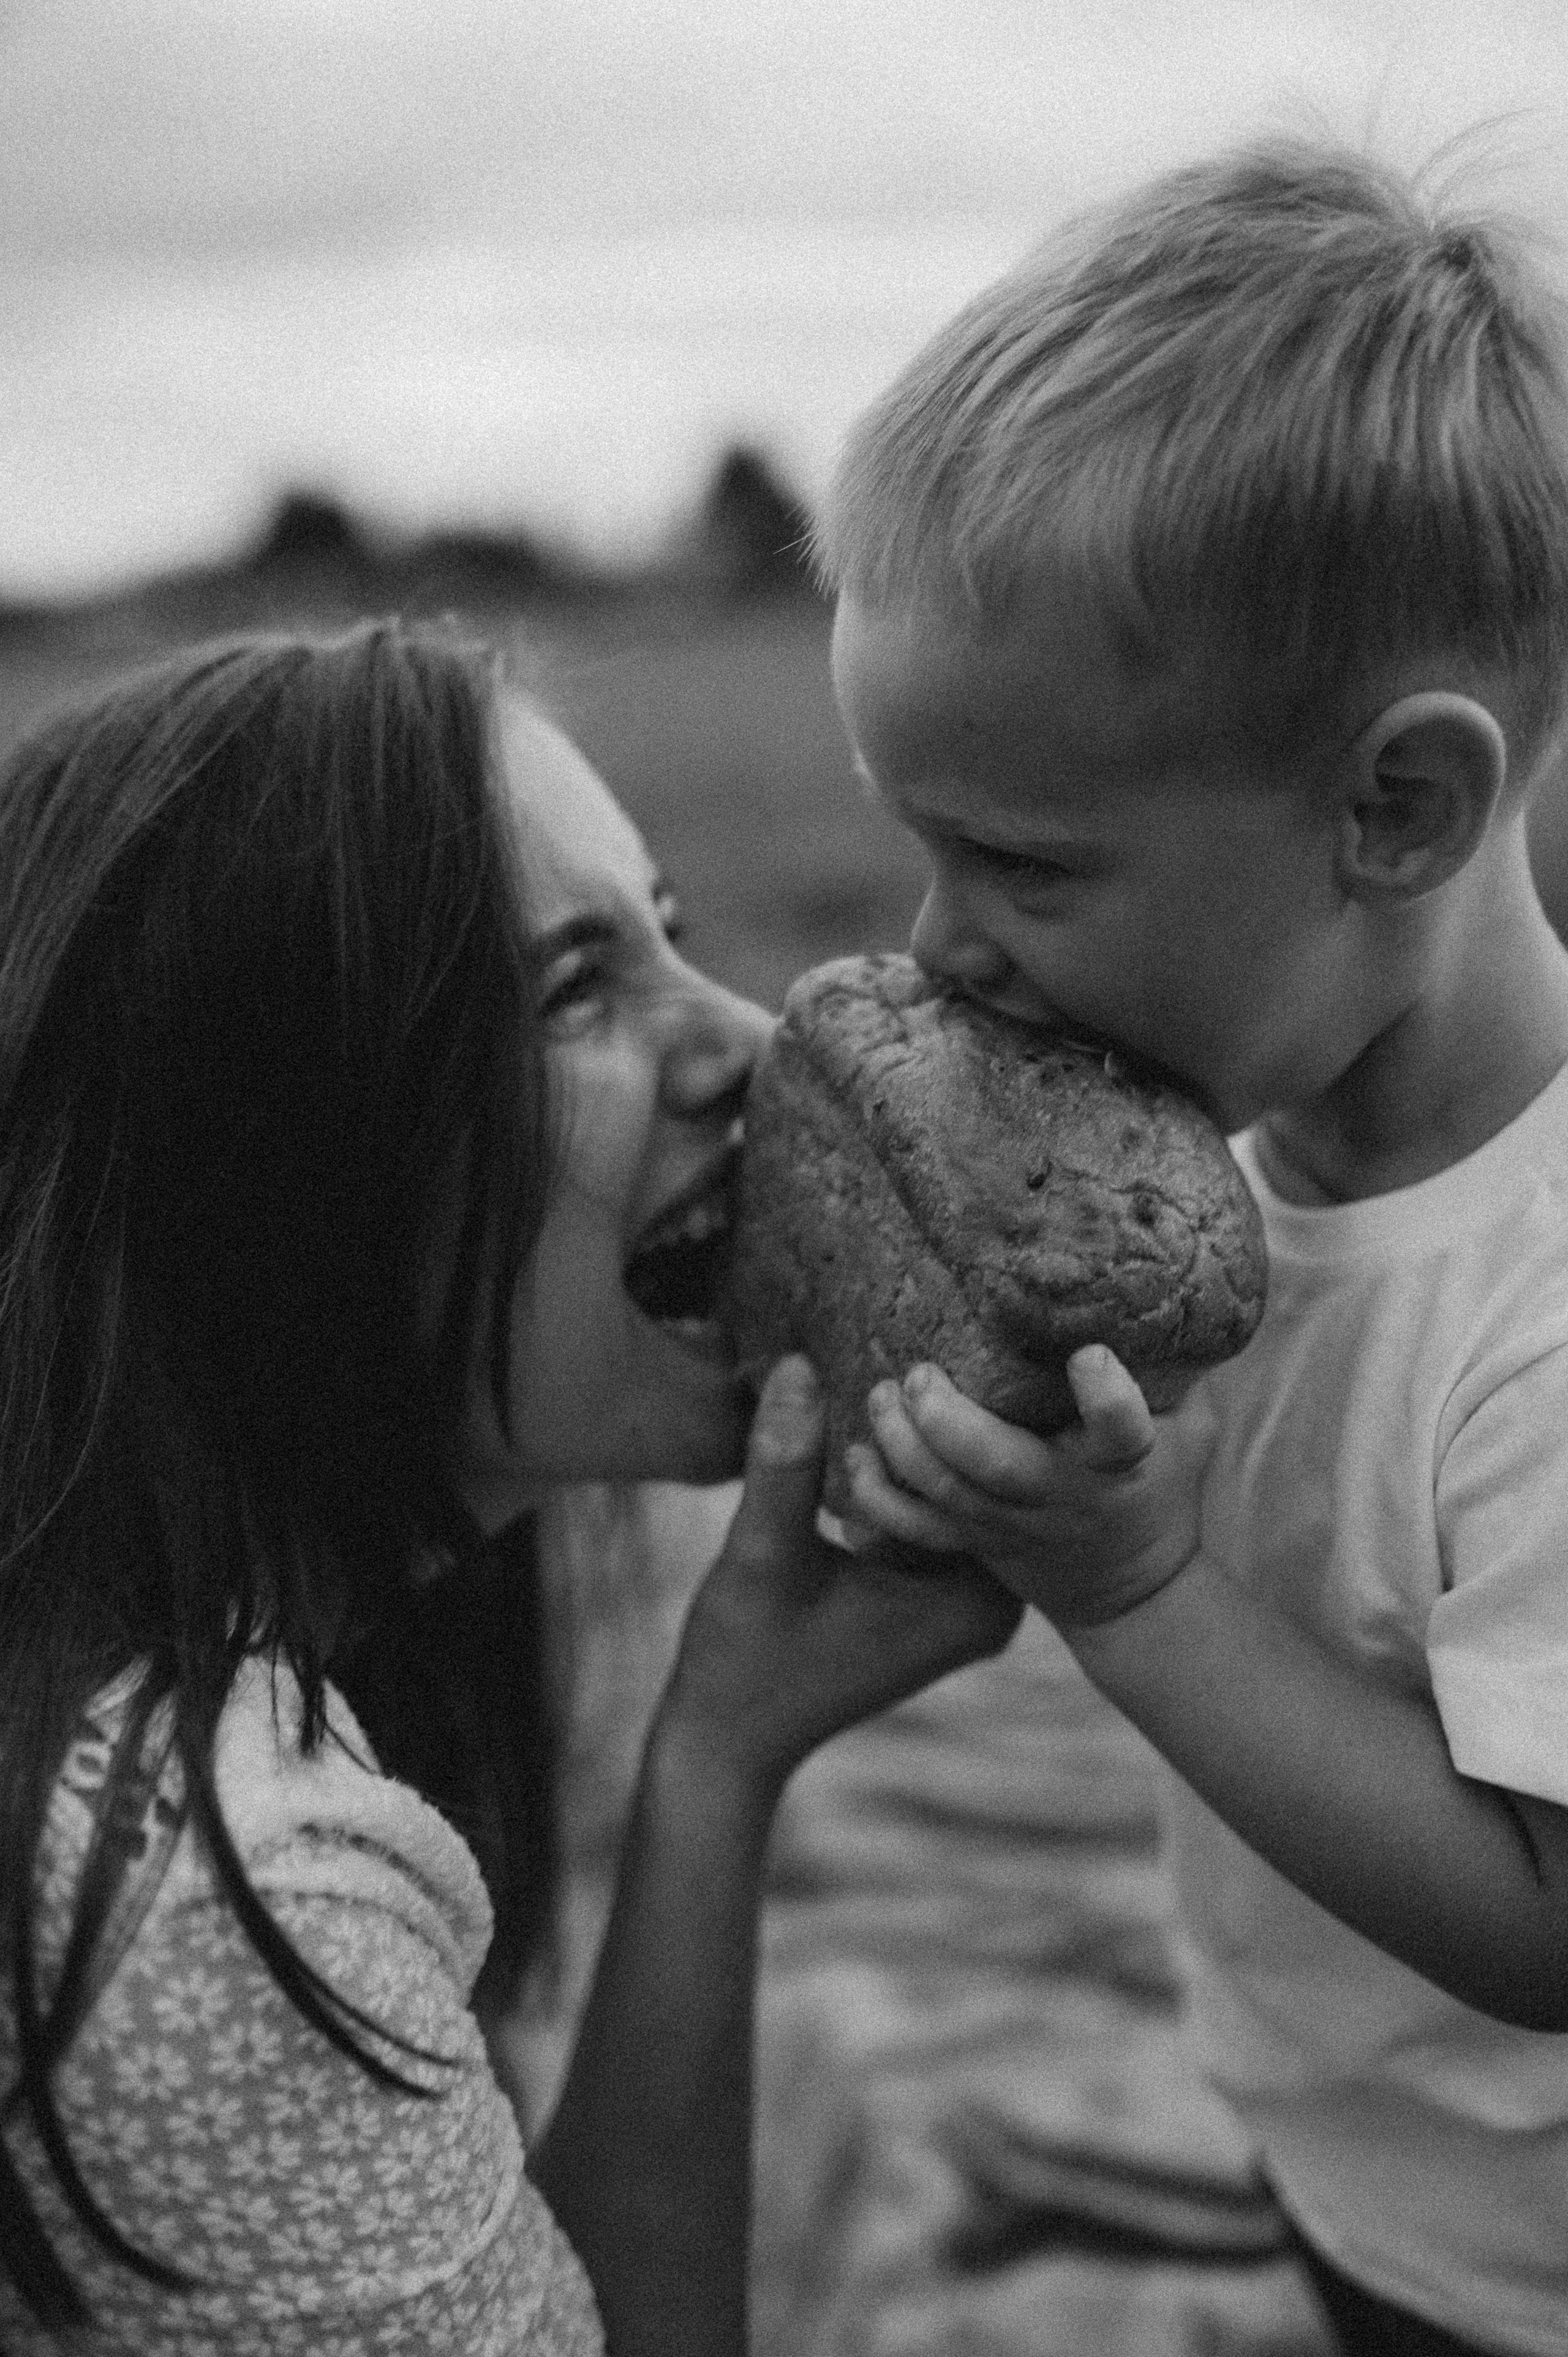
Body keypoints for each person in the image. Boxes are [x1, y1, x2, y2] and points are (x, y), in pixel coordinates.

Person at [0, 619, 1020, 2356]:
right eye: (574, 989)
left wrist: (724, 1746)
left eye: (673, 939)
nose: (764, 1041)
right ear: (281, 1157)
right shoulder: (218, 1899)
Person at [812, 139, 1568, 2357]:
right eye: (917, 848)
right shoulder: (1215, 1159)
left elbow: (1547, 1932)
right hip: (1344, 2147)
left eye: (1024, 866)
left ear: (1396, 811)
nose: (942, 948)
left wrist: (1131, 1588)